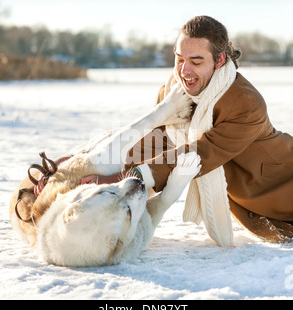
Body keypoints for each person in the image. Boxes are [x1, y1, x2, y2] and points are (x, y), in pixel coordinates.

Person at [82, 15, 293, 243]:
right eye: (179, 58)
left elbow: (198, 154)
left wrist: (125, 177)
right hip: (253, 203)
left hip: (282, 185)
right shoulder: (174, 95)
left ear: (219, 59)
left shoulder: (244, 101)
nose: (184, 70)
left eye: (196, 61)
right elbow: (152, 143)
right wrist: (80, 171)